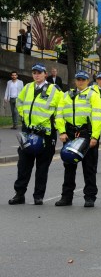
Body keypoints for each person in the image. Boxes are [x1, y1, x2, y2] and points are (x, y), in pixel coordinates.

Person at [9, 63, 61, 205]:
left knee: (42, 167)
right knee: (23, 165)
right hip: (28, 131)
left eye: (39, 72)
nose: (36, 75)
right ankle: (19, 194)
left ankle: (38, 196)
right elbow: (19, 103)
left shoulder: (54, 89)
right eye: (34, 72)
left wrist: (55, 124)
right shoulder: (27, 88)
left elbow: (61, 109)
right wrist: (24, 117)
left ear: (45, 74)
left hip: (46, 134)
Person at [54, 71, 101, 207]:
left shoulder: (93, 95)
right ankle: (66, 197)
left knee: (89, 168)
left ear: (88, 81)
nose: (80, 82)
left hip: (86, 134)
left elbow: (98, 117)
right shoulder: (67, 95)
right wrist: (62, 132)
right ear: (75, 81)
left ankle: (90, 197)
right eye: (78, 80)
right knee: (69, 167)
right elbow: (59, 114)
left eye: (83, 80)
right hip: (70, 134)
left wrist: (95, 136)